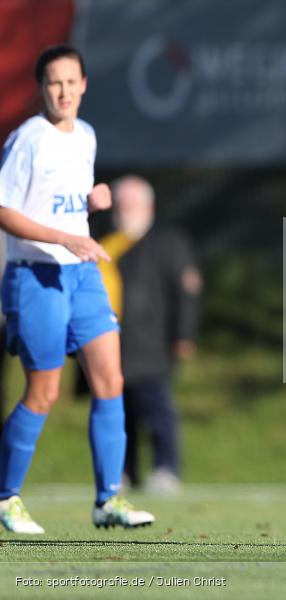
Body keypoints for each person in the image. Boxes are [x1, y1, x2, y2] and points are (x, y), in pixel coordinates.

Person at [0, 45, 154, 533]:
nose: (63, 91)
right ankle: (5, 498)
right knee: (43, 392)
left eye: (71, 82)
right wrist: (65, 236)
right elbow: (5, 210)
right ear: (42, 88)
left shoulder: (85, 136)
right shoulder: (28, 139)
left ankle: (108, 499)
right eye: (53, 83)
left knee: (110, 379)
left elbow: (65, 205)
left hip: (82, 274)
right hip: (36, 274)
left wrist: (94, 201)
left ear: (84, 84)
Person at [97, 175, 201, 495]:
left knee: (157, 409)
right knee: (118, 413)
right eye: (121, 203)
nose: (125, 210)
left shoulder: (169, 242)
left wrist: (183, 335)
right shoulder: (106, 242)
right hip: (113, 344)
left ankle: (166, 468)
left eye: (132, 203)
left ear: (148, 206)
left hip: (152, 346)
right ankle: (124, 471)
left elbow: (187, 293)